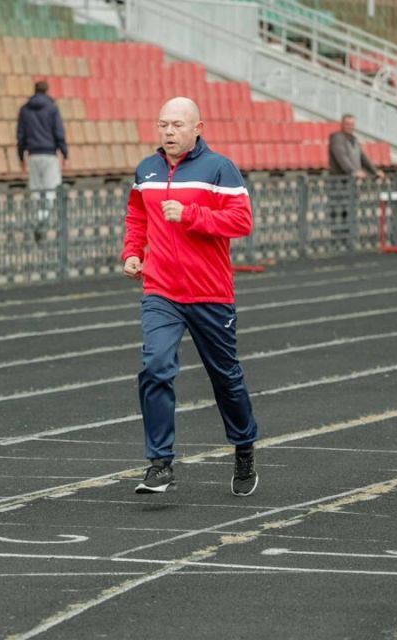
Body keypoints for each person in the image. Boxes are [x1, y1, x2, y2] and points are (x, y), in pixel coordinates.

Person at [121, 96, 260, 497]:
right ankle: (160, 463)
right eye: (163, 124)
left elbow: (241, 220)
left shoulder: (220, 168)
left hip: (210, 292)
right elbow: (138, 216)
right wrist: (133, 253)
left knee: (225, 378)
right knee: (155, 367)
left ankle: (244, 445)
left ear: (198, 128)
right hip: (161, 290)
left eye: (177, 125)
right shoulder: (146, 170)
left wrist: (191, 215)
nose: (168, 132)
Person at [17, 80, 68, 242]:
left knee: (36, 191)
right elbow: (58, 132)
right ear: (47, 91)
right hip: (49, 155)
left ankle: (38, 221)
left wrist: (21, 157)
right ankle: (44, 220)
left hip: (33, 155)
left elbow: (21, 136)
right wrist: (64, 153)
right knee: (52, 191)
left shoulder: (25, 110)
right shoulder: (52, 108)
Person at [328, 114, 384, 179]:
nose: (350, 127)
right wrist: (353, 171)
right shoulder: (337, 138)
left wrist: (375, 171)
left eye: (352, 124)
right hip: (340, 181)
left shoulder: (355, 139)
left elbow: (363, 157)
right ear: (342, 124)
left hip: (352, 181)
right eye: (347, 124)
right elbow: (342, 157)